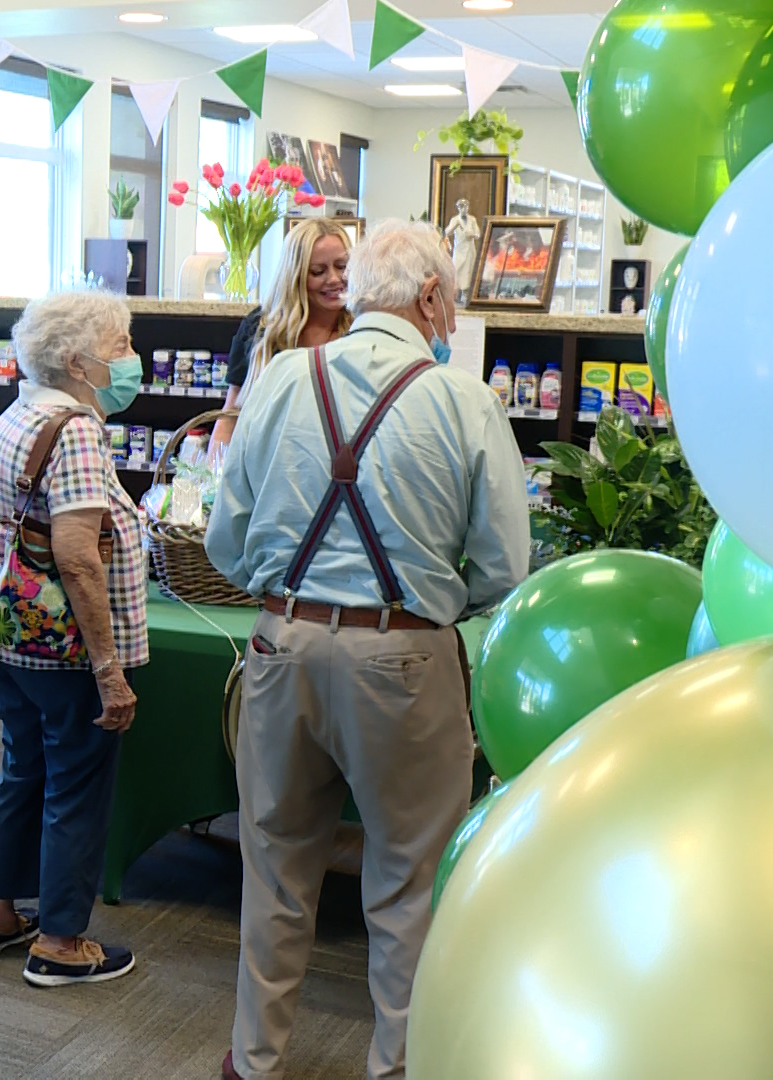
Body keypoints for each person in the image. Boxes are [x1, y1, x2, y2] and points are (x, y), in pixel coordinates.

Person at [205, 220, 530, 1080]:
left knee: (273, 868)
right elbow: (505, 567)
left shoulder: (281, 378)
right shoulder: (463, 400)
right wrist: (436, 598)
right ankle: (397, 1066)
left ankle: (254, 1061)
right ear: (429, 297)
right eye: (451, 301)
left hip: (281, 646)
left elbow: (224, 542)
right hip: (405, 661)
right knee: (408, 883)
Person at [0, 289, 149, 988]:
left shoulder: (16, 414)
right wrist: (108, 669)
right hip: (63, 651)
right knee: (76, 785)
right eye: (120, 346)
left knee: (25, 769)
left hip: (6, 635)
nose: (131, 359)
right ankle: (62, 942)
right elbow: (76, 557)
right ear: (77, 362)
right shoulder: (76, 432)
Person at [211, 219, 354, 447]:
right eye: (318, 271)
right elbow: (231, 415)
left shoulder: (361, 328)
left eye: (342, 266)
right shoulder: (260, 329)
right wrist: (215, 465)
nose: (334, 279)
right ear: (294, 275)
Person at [445, 198, 482, 305]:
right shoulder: (455, 220)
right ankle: (456, 293)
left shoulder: (472, 219)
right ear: (458, 208)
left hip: (469, 249)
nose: (464, 209)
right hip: (459, 250)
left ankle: (466, 294)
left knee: (468, 271)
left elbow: (478, 234)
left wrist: (472, 234)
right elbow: (447, 232)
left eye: (466, 207)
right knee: (457, 270)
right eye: (461, 207)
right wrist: (455, 226)